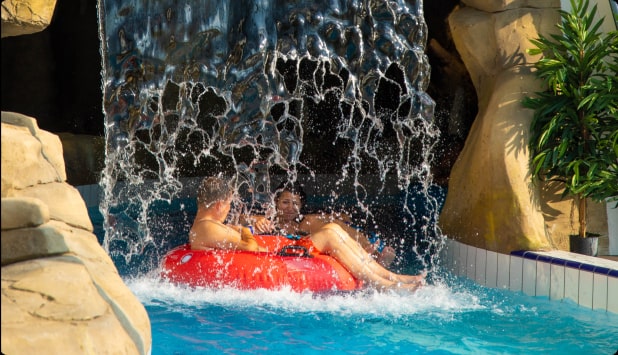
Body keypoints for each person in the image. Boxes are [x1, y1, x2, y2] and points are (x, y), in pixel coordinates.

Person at [191, 176, 426, 291]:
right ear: (220, 204)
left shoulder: (207, 226)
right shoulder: (207, 226)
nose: (230, 208)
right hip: (280, 257)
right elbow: (251, 247)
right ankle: (384, 283)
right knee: (331, 234)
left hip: (279, 252)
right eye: (229, 204)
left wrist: (242, 226)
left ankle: (391, 277)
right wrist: (243, 229)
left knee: (333, 229)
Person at [242, 182, 397, 267]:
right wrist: (257, 221)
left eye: (295, 203)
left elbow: (335, 223)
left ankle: (374, 255)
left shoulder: (305, 223)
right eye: (285, 202)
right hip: (280, 253)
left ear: (301, 206)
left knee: (332, 226)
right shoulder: (268, 221)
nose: (290, 208)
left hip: (307, 247)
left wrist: (337, 217)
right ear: (275, 203)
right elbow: (241, 218)